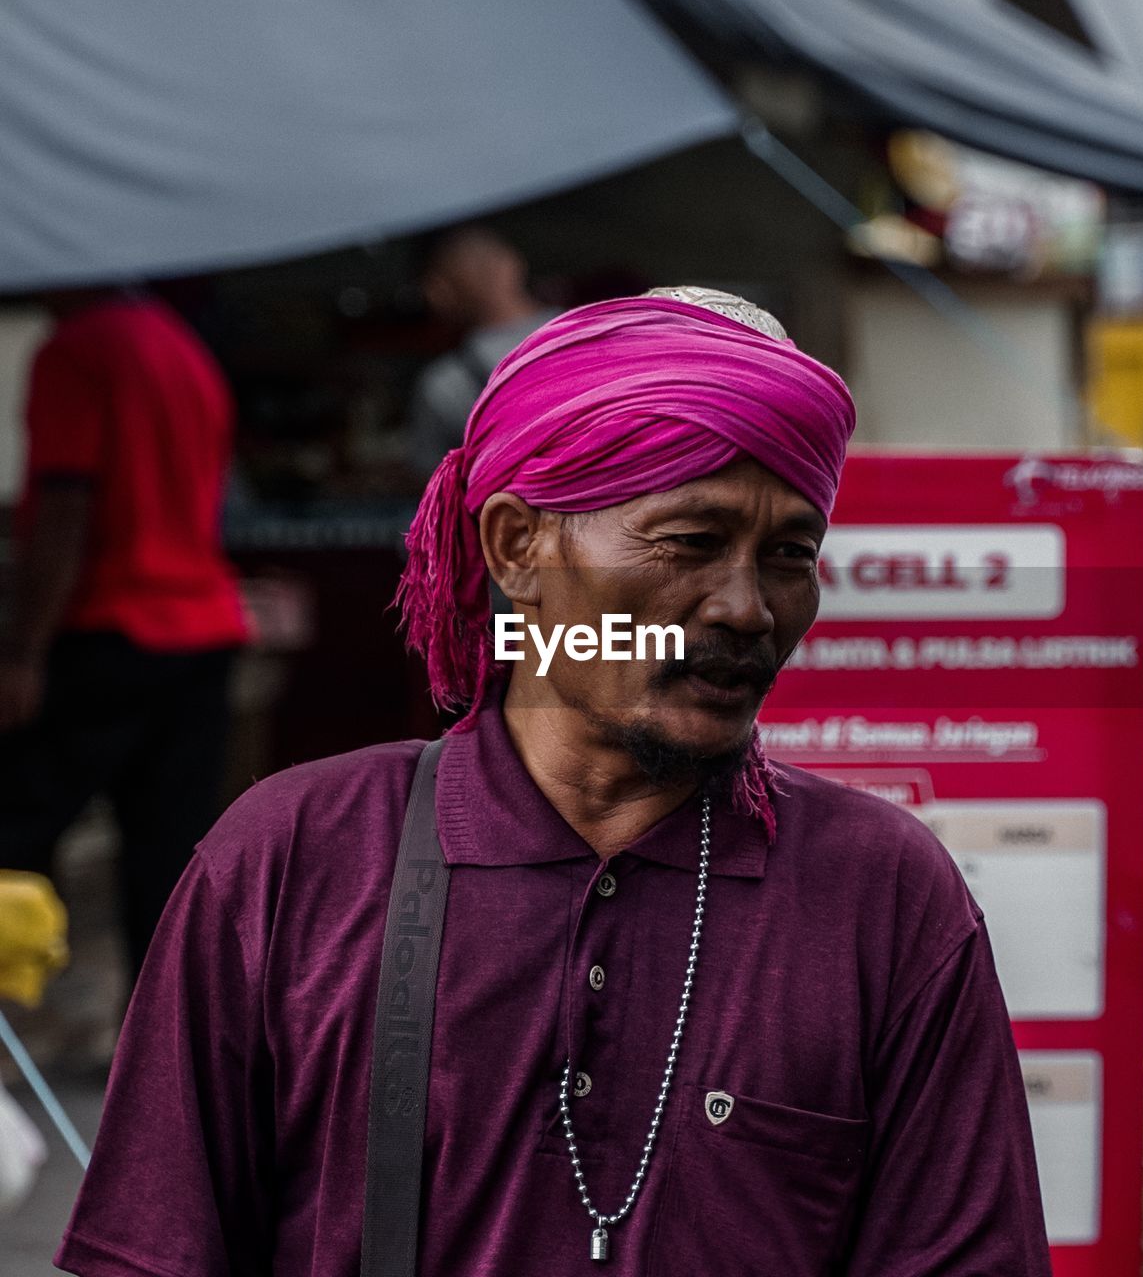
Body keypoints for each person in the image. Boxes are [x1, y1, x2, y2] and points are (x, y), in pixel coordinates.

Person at [55, 289, 1050, 1275]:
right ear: (515, 548)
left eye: (787, 553)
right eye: (690, 541)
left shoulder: (880, 896)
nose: (747, 607)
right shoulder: (292, 860)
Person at [0, 287, 249, 980]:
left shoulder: (77, 350)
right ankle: (169, 1060)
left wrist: (22, 651)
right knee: (168, 866)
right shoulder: (183, 348)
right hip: (201, 631)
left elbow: (63, 506)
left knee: (14, 826)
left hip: (112, 628)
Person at [406, 225, 560, 475]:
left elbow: (433, 489)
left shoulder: (443, 386)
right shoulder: (604, 333)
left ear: (437, 292)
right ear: (514, 263)